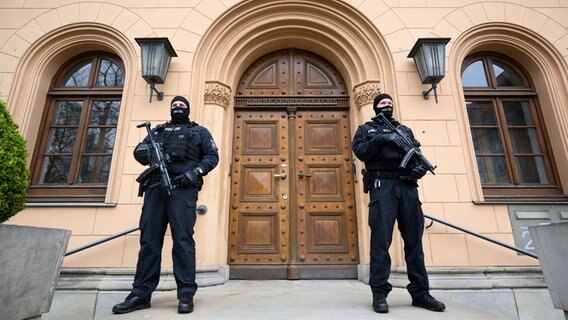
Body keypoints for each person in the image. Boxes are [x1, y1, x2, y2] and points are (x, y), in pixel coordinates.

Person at [112, 95, 219, 314]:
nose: (177, 108)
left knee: (182, 241)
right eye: (174, 106)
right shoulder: (157, 132)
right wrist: (143, 152)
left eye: (181, 106)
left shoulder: (200, 132)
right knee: (149, 242)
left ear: (187, 109)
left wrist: (195, 172)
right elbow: (140, 151)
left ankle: (186, 293)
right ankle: (141, 294)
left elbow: (212, 156)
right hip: (155, 189)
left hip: (183, 191)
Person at [351, 93, 445, 314]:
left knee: (414, 242)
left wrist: (419, 169)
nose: (388, 105)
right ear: (375, 107)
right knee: (381, 242)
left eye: (390, 103)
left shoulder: (404, 131)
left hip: (407, 187)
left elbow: (415, 155)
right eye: (383, 103)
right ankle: (379, 293)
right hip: (382, 186)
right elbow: (360, 151)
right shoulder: (366, 130)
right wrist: (382, 139)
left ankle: (421, 293)